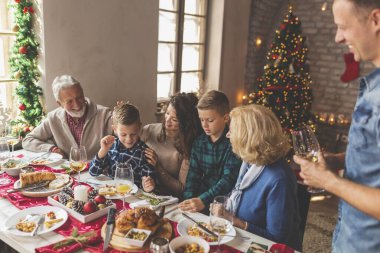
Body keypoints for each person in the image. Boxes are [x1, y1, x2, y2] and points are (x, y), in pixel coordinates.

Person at [294, 0, 380, 252]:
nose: (337, 37)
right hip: (349, 235)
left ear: (376, 20)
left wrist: (328, 181)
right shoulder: (373, 84)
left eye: (343, 26)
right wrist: (341, 159)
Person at [213, 105, 301, 251]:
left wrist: (234, 220)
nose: (228, 135)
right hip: (241, 239)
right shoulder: (251, 160)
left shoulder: (279, 179)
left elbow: (278, 240)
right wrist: (225, 209)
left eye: (232, 130)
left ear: (248, 136)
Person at [22, 75, 112, 159]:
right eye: (69, 101)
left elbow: (124, 136)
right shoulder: (53, 118)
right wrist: (52, 149)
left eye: (79, 97)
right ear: (59, 103)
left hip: (97, 173)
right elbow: (28, 140)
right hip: (67, 172)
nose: (77, 105)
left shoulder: (104, 114)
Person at [180, 90, 241, 213]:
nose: (204, 125)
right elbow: (193, 176)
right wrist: (189, 201)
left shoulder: (234, 144)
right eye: (201, 120)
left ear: (225, 118)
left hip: (224, 205)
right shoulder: (199, 142)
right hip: (199, 201)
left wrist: (203, 200)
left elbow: (227, 180)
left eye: (210, 120)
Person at [140, 93, 202, 196]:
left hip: (167, 199)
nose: (167, 121)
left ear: (186, 123)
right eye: (167, 113)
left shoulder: (188, 146)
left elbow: (181, 188)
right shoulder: (149, 130)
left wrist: (158, 167)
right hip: (140, 192)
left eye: (174, 119)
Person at [89, 101, 155, 192]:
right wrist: (103, 151)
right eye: (123, 135)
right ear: (115, 130)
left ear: (139, 127)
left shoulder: (145, 153)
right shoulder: (111, 146)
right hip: (112, 193)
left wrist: (147, 185)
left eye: (133, 134)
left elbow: (147, 185)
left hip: (132, 197)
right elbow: (93, 172)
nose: (129, 139)